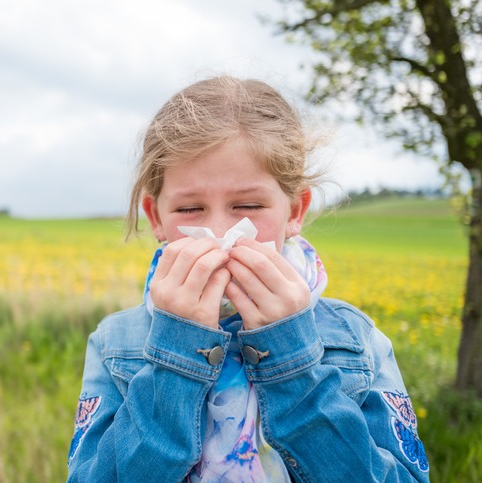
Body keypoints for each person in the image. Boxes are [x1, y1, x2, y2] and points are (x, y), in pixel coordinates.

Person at [67, 76, 429, 482]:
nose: (221, 234)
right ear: (156, 218)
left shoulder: (357, 341)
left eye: (248, 205)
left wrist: (290, 358)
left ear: (295, 211)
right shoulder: (117, 343)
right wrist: (176, 351)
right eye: (189, 209)